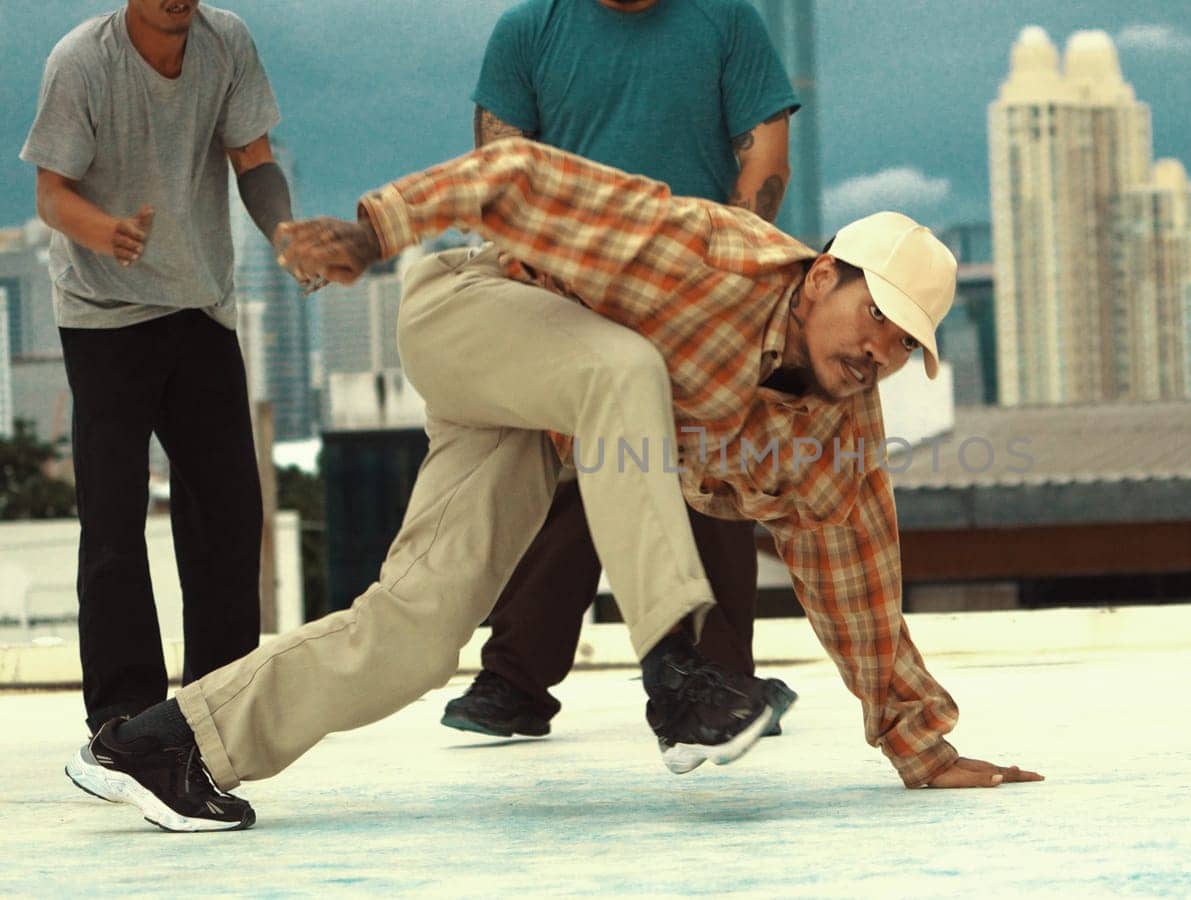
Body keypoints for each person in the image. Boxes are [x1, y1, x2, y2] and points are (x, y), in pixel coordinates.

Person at [70, 138, 1042, 833]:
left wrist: (920, 745)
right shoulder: (707, 256)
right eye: (872, 316)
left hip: (538, 423)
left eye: (901, 344)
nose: (876, 351)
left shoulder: (835, 435)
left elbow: (858, 580)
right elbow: (519, 175)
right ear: (822, 273)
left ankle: (163, 746)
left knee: (409, 636)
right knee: (625, 368)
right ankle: (675, 680)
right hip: (471, 312)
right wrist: (375, 234)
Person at [443, 0, 799, 740]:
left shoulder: (725, 19)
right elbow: (499, 173)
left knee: (707, 473)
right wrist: (539, 275)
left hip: (698, 282)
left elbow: (765, 157)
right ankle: (519, 682)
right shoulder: (528, 31)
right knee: (594, 475)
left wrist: (732, 265)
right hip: (572, 292)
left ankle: (531, 683)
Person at [21, 0, 294, 737]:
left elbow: (255, 159)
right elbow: (50, 194)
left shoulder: (227, 41)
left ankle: (217, 713)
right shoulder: (82, 61)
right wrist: (105, 233)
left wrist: (286, 232)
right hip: (104, 312)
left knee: (230, 515)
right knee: (113, 515)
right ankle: (124, 716)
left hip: (199, 305)